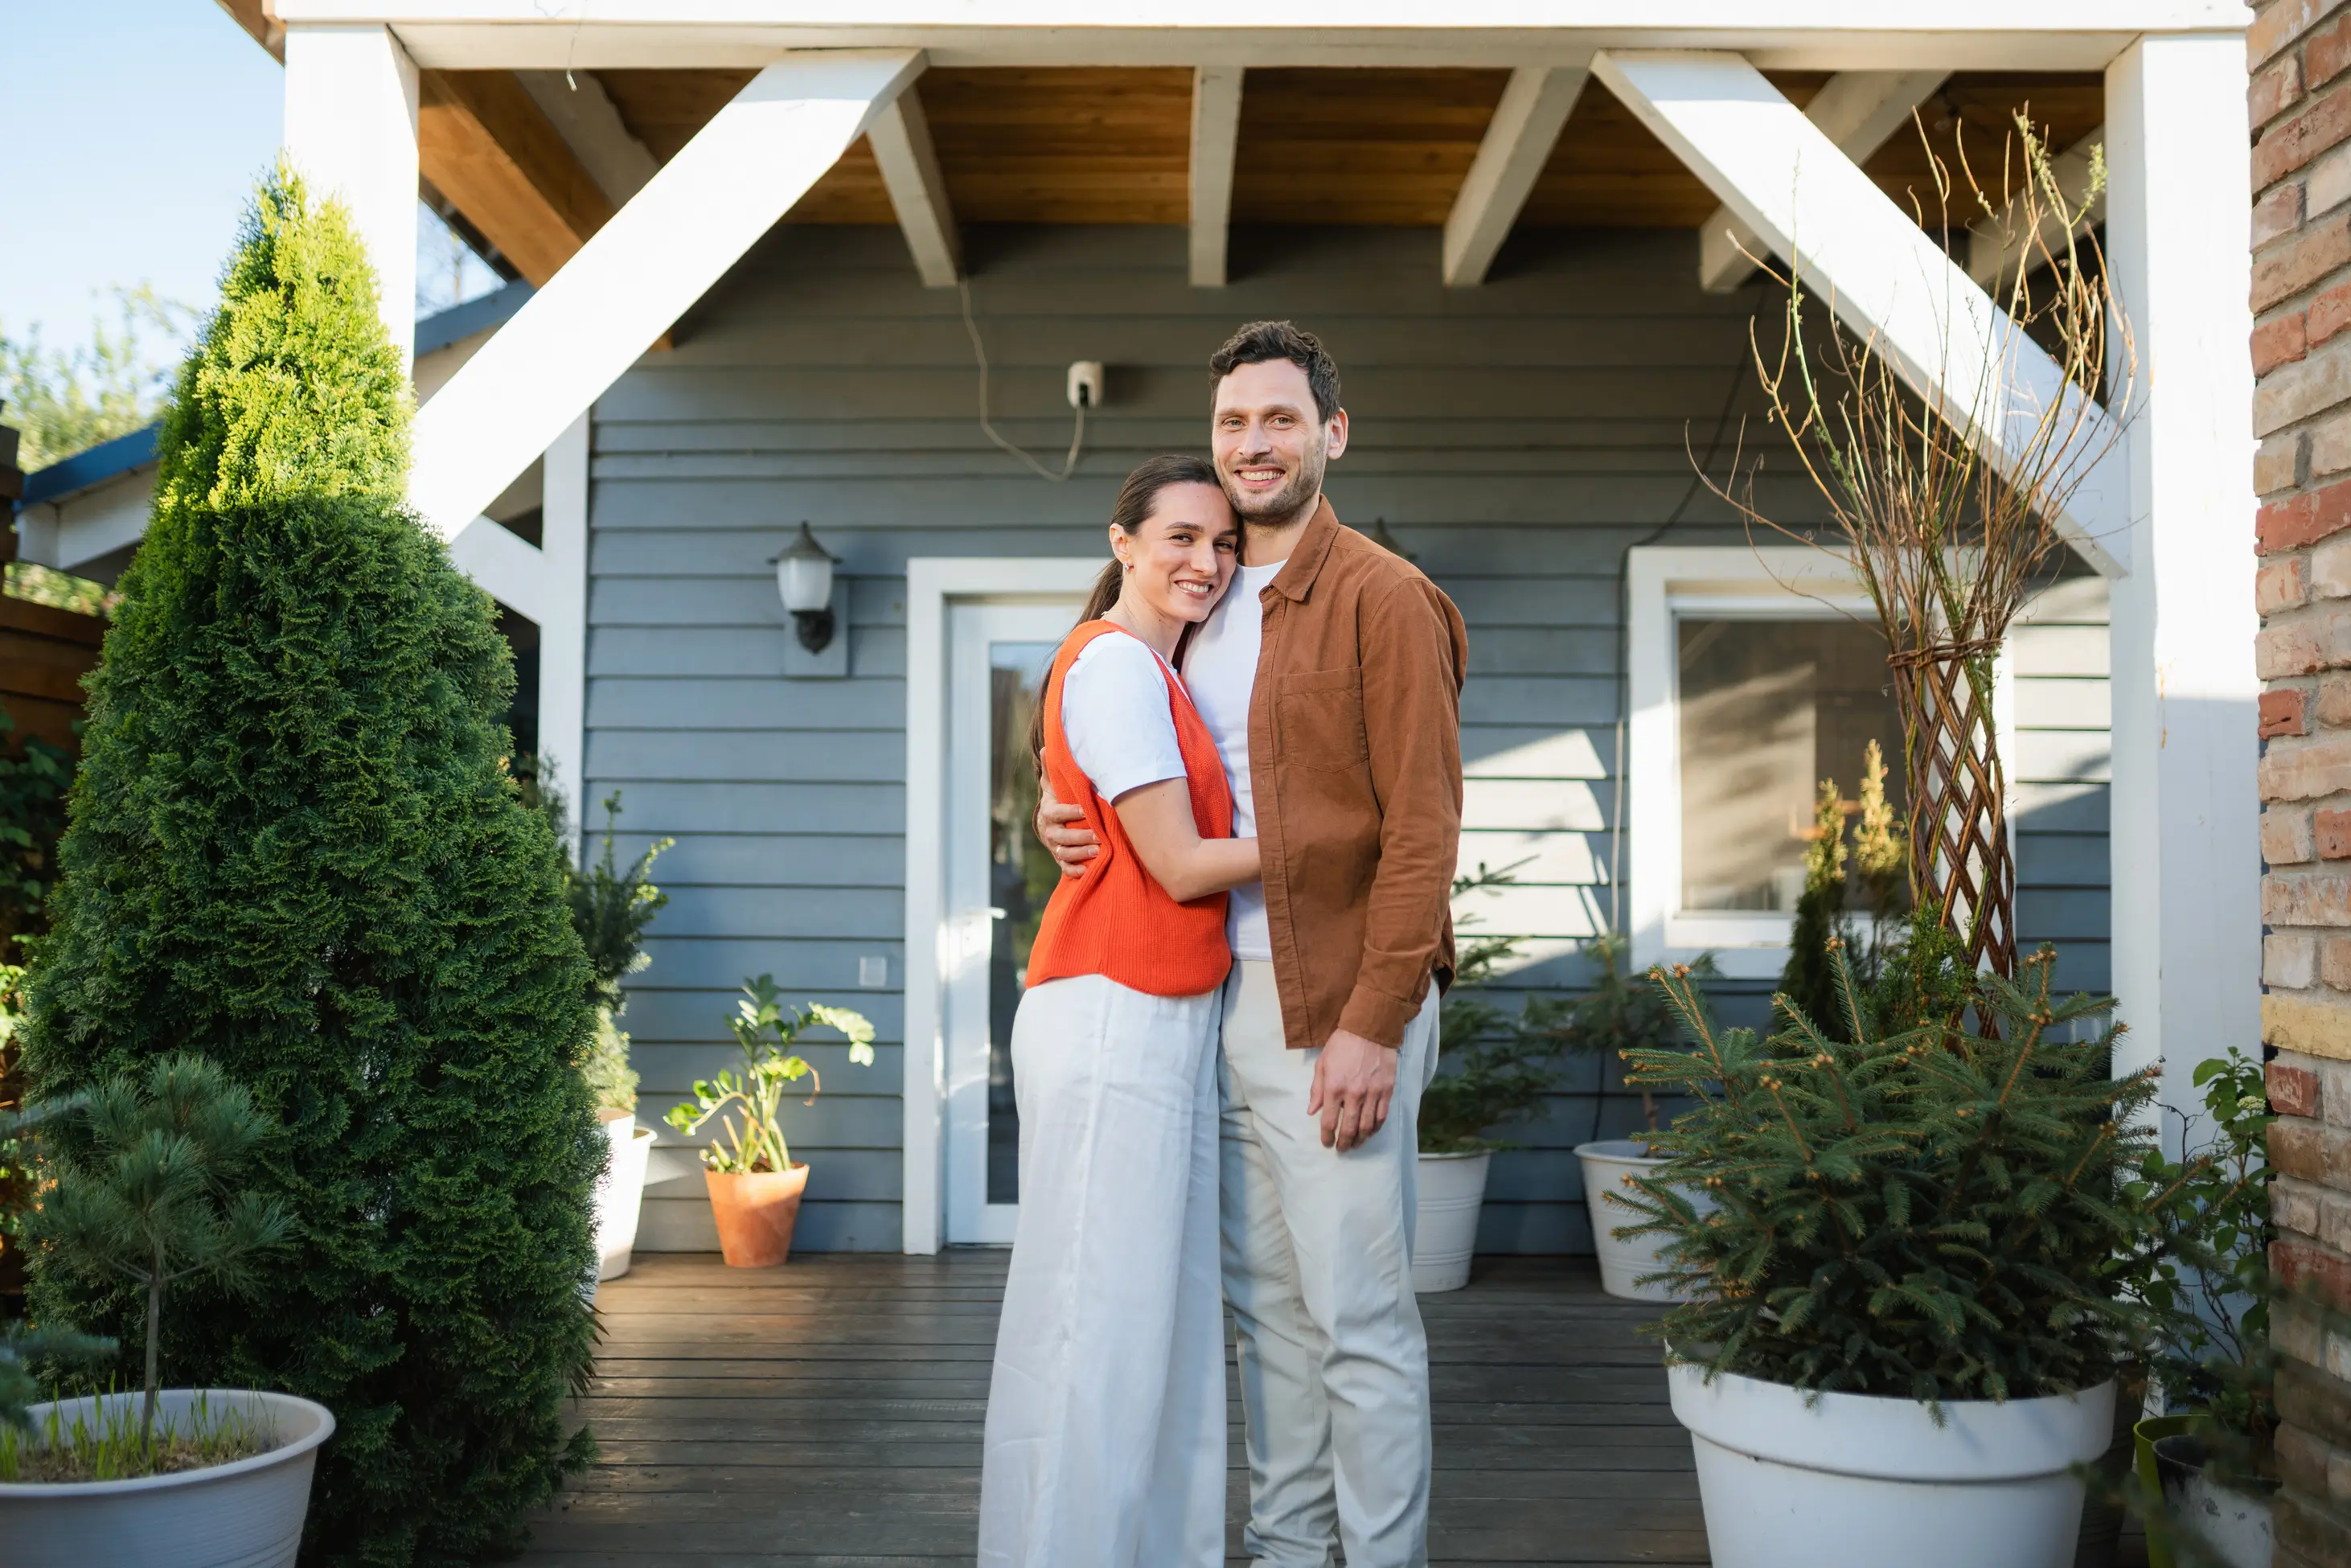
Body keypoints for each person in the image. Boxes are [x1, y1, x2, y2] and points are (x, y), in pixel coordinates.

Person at [1039, 322, 1468, 1568]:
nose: (1253, 443)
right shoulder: (1207, 593)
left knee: (1360, 1319)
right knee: (1270, 1321)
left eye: (1279, 418)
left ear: (1332, 434)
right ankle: (1288, 1550)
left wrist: (1373, 1022)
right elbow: (1106, 706)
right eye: (1234, 422)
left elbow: (1426, 827)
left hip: (1333, 999)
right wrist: (1054, 800)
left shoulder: (1384, 599)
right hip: (1218, 1001)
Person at [977, 454, 1258, 1568]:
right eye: (1182, 536)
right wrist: (1344, 836)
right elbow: (1185, 865)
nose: (1207, 560)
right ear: (1123, 542)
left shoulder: (1165, 671)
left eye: (1224, 543)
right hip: (1108, 1013)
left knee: (1163, 1330)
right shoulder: (1112, 667)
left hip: (1161, 1019)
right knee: (1090, 1324)